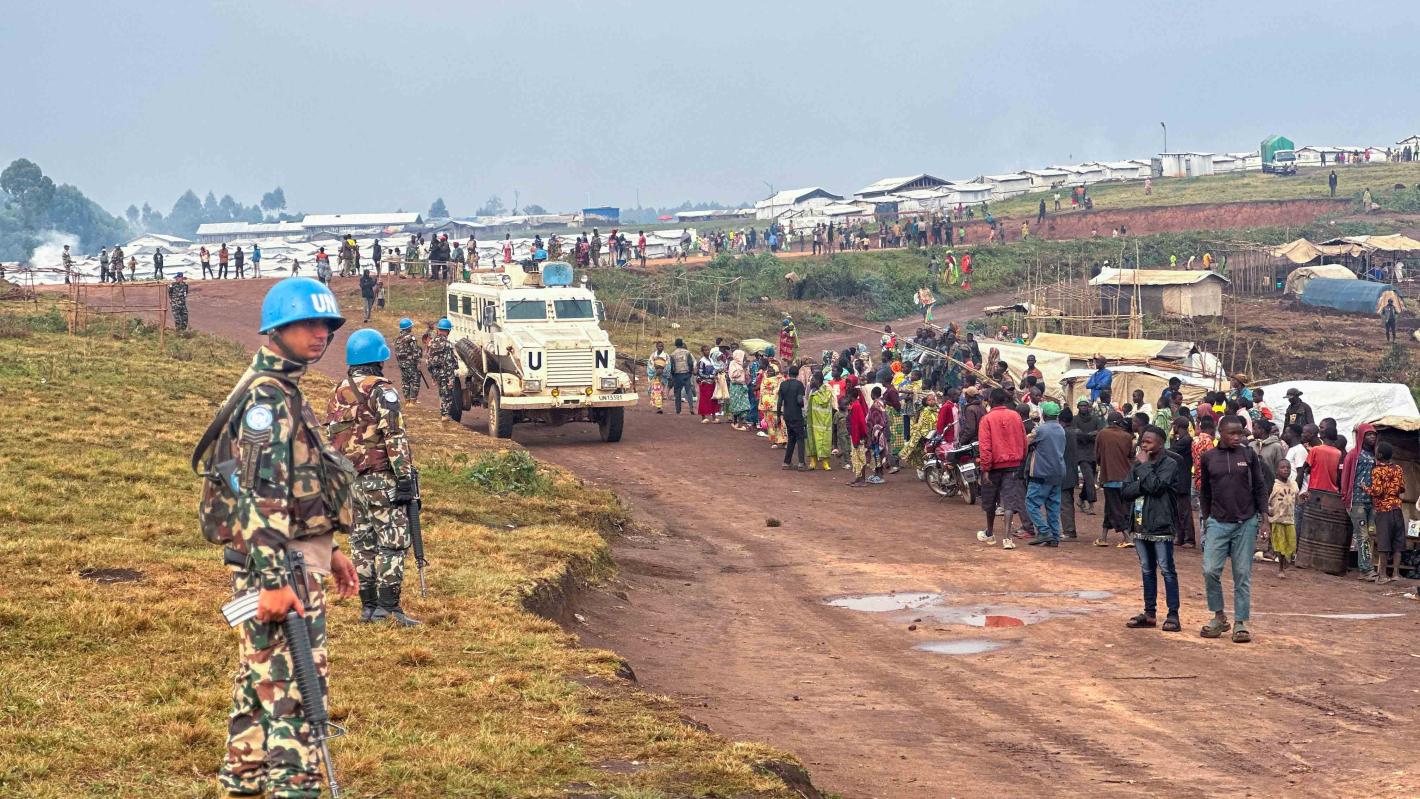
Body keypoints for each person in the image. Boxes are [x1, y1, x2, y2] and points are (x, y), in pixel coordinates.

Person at [202, 277, 359, 798]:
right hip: (276, 569)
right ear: (278, 328)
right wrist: (272, 582)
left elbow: (298, 486)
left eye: (327, 326)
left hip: (289, 559)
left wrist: (330, 549)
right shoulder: (266, 399)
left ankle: (241, 787)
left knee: (258, 690)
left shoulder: (283, 389)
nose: (320, 334)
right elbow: (260, 495)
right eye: (308, 323)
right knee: (295, 703)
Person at [324, 328, 419, 626]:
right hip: (382, 477)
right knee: (392, 541)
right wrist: (404, 478)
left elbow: (333, 436)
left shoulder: (339, 390)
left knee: (362, 541)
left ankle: (368, 608)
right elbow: (394, 435)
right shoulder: (382, 391)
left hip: (352, 480)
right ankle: (389, 609)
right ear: (378, 358)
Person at [1199, 415, 1269, 643]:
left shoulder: (1248, 455)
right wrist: (1208, 519)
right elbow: (1205, 492)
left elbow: (1259, 485)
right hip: (1218, 523)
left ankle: (1240, 623)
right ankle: (1219, 616)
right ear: (1221, 433)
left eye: (1240, 433)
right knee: (1210, 570)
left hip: (1245, 523)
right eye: (1232, 433)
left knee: (1242, 574)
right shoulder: (1208, 457)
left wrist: (1264, 518)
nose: (1238, 437)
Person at [1122, 426, 1183, 631]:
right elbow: (1126, 490)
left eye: (1148, 441)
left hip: (1161, 525)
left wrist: (1144, 469)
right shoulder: (1138, 464)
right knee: (1147, 569)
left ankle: (1173, 615)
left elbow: (1157, 487)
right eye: (1143, 440)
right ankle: (1149, 613)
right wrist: (1142, 479)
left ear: (1160, 443)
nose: (1143, 444)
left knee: (1167, 570)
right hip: (1140, 524)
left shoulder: (1170, 464)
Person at [976, 388, 1027, 549]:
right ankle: (1007, 538)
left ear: (991, 401)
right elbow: (1023, 440)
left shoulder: (987, 419)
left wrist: (985, 468)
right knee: (1009, 501)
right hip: (1013, 464)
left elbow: (985, 446)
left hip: (993, 466)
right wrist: (1021, 458)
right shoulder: (1016, 416)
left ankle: (990, 532)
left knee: (990, 500)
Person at [1339, 424, 1377, 580]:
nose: (1372, 437)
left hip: (1371, 502)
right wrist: (1345, 496)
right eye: (1368, 435)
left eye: (1374, 435)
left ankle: (1366, 567)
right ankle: (1366, 569)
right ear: (1362, 436)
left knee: (1369, 535)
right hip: (1356, 501)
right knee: (1362, 535)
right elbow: (1346, 476)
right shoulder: (1353, 455)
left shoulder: (1376, 455)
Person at [1025, 401, 1065, 547]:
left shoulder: (1041, 430)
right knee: (1053, 506)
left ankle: (1044, 531)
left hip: (1041, 473)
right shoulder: (1061, 429)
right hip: (1058, 472)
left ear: (1044, 414)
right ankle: (1054, 537)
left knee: (1031, 503)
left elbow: (1026, 442)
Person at [1366, 442, 1406, 584]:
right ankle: (1396, 573)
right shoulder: (1398, 468)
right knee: (1398, 543)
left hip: (1384, 510)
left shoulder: (1377, 471)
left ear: (1380, 455)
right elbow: (1402, 488)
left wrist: (1365, 488)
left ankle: (1382, 575)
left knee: (1383, 542)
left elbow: (1378, 491)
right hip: (1397, 508)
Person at [1095, 412, 1135, 547]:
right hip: (1126, 478)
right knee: (1110, 507)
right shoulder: (1127, 436)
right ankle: (1103, 538)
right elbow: (1131, 455)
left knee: (1115, 508)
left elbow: (1098, 456)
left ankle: (1127, 538)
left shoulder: (1102, 434)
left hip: (1109, 477)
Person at [1269, 460, 1298, 577]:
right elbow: (1268, 500)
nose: (1286, 469)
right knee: (1280, 545)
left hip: (1290, 519)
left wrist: (1303, 496)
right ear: (1277, 470)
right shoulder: (1274, 485)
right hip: (1277, 519)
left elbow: (1297, 500)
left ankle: (1287, 559)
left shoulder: (1294, 485)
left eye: (1288, 467)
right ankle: (1280, 568)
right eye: (1282, 467)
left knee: (1291, 544)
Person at [425, 318, 458, 420]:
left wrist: (433, 375)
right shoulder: (447, 344)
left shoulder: (431, 343)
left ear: (438, 330)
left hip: (436, 373)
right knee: (447, 395)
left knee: (441, 393)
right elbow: (449, 362)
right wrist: (451, 379)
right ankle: (445, 415)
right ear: (448, 331)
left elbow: (428, 361)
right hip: (445, 373)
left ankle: (443, 413)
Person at [1073, 401, 1102, 515]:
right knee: (1090, 479)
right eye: (1081, 406)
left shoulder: (1095, 419)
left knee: (1088, 479)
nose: (1083, 408)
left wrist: (1084, 435)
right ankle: (1091, 505)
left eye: (1085, 406)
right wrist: (1090, 435)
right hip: (1081, 453)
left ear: (1089, 407)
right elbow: (1076, 433)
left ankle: (1081, 499)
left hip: (1093, 453)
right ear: (1078, 407)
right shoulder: (1075, 419)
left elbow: (1099, 432)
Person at [778, 366, 808, 470]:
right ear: (798, 374)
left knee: (791, 438)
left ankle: (787, 462)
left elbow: (779, 401)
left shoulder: (783, 384)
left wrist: (778, 415)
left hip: (787, 415)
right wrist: (803, 407)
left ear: (789, 373)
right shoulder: (799, 385)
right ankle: (801, 463)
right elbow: (800, 400)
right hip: (796, 415)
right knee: (800, 438)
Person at [806, 373, 836, 471]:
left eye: (812, 380)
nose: (811, 382)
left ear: (818, 381)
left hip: (824, 422)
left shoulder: (826, 390)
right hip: (813, 422)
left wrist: (815, 393)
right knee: (812, 441)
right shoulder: (812, 391)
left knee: (824, 441)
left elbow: (826, 401)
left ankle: (825, 463)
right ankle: (813, 462)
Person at [394, 318, 423, 404]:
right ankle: (413, 401)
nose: (411, 328)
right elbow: (415, 350)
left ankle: (407, 401)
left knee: (405, 382)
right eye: (410, 326)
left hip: (402, 364)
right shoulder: (411, 338)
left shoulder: (397, 339)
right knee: (415, 381)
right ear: (407, 328)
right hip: (411, 364)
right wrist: (418, 362)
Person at [667, 339, 695, 414]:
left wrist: (673, 375)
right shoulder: (687, 352)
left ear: (675, 344)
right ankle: (691, 407)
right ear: (682, 344)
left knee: (677, 393)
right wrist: (690, 372)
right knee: (689, 391)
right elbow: (690, 363)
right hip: (686, 374)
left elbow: (672, 366)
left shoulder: (673, 354)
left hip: (677, 375)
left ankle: (678, 410)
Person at [727, 350, 752, 430]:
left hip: (743, 386)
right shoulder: (732, 364)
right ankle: (735, 422)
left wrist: (746, 370)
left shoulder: (744, 364)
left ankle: (740, 423)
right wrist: (742, 368)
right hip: (735, 387)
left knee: (744, 406)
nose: (744, 357)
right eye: (743, 356)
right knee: (736, 405)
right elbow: (733, 375)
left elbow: (747, 375)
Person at [695, 345, 720, 424]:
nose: (707, 352)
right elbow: (700, 373)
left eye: (708, 350)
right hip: (705, 383)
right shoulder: (702, 361)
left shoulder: (712, 360)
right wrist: (710, 376)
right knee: (704, 400)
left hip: (712, 383)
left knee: (713, 399)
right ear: (702, 352)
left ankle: (714, 417)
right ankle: (703, 417)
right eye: (705, 350)